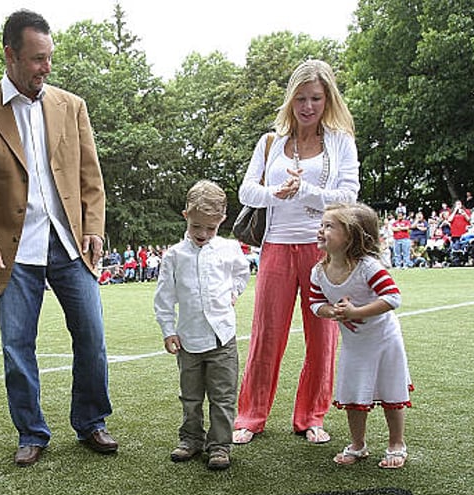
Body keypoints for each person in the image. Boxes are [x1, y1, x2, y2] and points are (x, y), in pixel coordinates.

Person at [0, 10, 117, 467]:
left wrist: (94, 228)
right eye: (37, 59)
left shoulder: (71, 106)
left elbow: (90, 176)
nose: (46, 68)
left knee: (91, 336)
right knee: (16, 344)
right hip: (13, 250)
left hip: (68, 243)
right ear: (11, 55)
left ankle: (91, 422)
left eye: (49, 58)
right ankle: (31, 432)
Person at [234, 59, 360, 445]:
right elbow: (245, 192)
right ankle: (250, 417)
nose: (308, 106)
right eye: (301, 98)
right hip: (275, 245)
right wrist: (277, 193)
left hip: (323, 249)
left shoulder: (340, 141)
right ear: (291, 100)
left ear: (328, 100)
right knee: (265, 334)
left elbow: (349, 195)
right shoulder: (270, 142)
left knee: (322, 334)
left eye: (316, 99)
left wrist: (306, 192)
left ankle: (311, 416)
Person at [154, 181, 251, 470]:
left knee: (223, 396)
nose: (203, 234)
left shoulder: (229, 249)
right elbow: (164, 297)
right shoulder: (173, 256)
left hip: (223, 337)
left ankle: (220, 445)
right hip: (188, 340)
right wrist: (168, 330)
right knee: (191, 396)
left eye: (210, 228)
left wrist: (234, 291)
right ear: (186, 216)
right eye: (197, 227)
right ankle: (191, 439)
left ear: (221, 221)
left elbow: (242, 273)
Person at [309, 203, 411, 469]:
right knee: (353, 391)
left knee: (391, 391)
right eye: (322, 225)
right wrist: (332, 311)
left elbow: (392, 298)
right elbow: (314, 302)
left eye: (329, 226)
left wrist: (356, 312)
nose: (321, 231)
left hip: (384, 340)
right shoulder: (318, 271)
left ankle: (396, 443)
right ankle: (357, 444)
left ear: (351, 236)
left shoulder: (369, 267)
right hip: (354, 344)